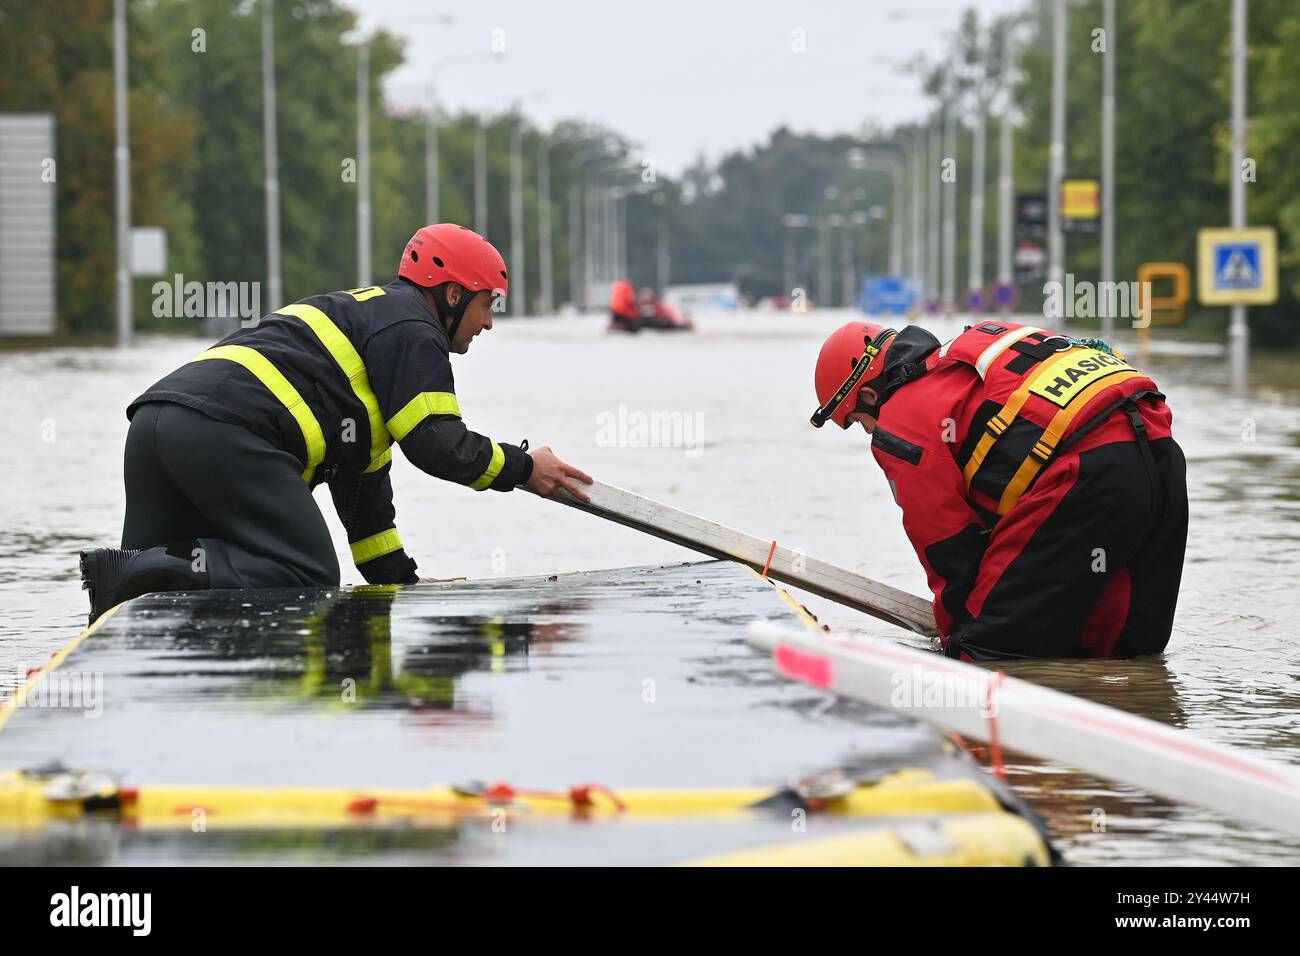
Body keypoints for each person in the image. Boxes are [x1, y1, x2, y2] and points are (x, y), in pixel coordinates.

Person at [79, 224, 592, 623]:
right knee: (306, 572)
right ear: (454, 294)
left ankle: (101, 648)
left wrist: (401, 584)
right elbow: (438, 445)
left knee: (130, 601)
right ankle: (140, 570)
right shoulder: (414, 329)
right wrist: (526, 468)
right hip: (225, 435)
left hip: (155, 427)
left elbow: (365, 504)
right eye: (487, 304)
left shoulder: (369, 332)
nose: (489, 323)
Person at [810, 319, 1188, 660]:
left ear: (870, 396)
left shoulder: (901, 422)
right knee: (1127, 649)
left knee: (986, 651)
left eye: (860, 422)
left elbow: (948, 549)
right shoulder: (981, 343)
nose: (869, 432)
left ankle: (983, 738)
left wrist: (958, 636)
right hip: (1160, 450)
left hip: (1085, 473)